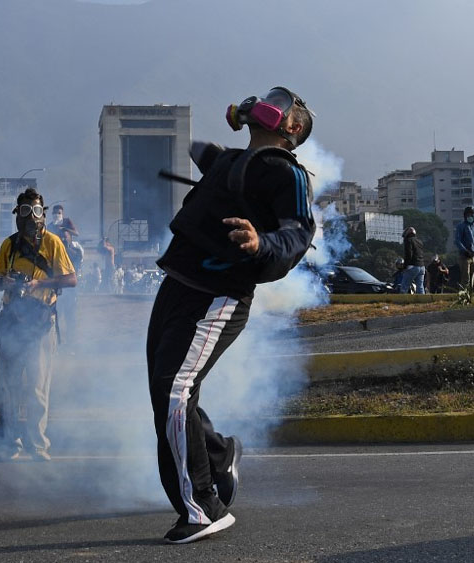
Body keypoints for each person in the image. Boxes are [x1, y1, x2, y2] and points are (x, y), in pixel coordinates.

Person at [147, 86, 316, 544]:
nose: (271, 104)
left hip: (216, 295)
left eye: (284, 105)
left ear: (293, 127)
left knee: (174, 391)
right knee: (168, 395)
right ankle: (219, 455)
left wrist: (261, 244)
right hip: (176, 284)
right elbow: (204, 152)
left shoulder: (288, 175)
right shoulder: (231, 161)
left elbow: (297, 233)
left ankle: (203, 508)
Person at [0, 187, 76, 462]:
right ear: (18, 214)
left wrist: (40, 283)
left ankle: (38, 445)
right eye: (25, 211)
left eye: (36, 211)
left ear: (43, 214)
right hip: (11, 323)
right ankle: (9, 444)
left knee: (38, 388)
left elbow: (70, 279)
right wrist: (7, 282)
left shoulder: (53, 243)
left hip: (40, 324)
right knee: (9, 387)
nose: (31, 217)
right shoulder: (9, 245)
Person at [400, 226, 425, 294]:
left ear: (407, 234)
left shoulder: (408, 240)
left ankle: (401, 302)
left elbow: (408, 255)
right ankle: (423, 302)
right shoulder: (419, 241)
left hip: (412, 266)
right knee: (420, 287)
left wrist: (405, 267)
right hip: (422, 266)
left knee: (404, 286)